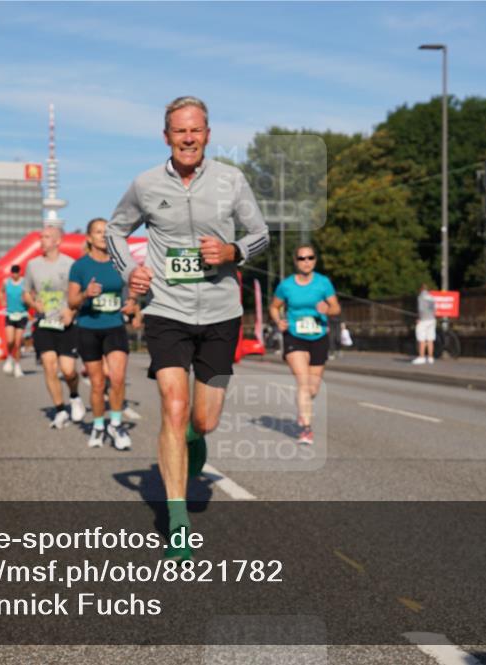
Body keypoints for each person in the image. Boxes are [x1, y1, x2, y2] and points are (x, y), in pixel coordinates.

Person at [106, 96, 269, 560]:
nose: (189, 138)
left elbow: (260, 234)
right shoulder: (145, 184)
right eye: (180, 131)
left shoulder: (231, 180)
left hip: (221, 313)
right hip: (167, 310)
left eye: (196, 130)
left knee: (204, 419)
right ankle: (176, 518)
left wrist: (232, 253)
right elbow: (117, 231)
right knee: (173, 406)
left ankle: (195, 441)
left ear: (208, 134)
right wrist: (129, 272)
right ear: (167, 136)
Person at [68, 218, 133, 450]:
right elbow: (72, 301)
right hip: (88, 328)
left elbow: (133, 287)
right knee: (97, 384)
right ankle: (97, 425)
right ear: (89, 238)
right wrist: (86, 293)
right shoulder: (80, 266)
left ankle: (115, 424)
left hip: (114, 326)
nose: (103, 236)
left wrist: (132, 302)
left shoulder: (120, 263)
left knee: (116, 378)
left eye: (106, 232)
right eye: (98, 232)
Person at [269, 245, 341, 445]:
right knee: (302, 381)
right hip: (294, 336)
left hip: (318, 336)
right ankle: (306, 429)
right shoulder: (286, 285)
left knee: (313, 387)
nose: (306, 261)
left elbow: (336, 308)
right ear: (296, 261)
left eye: (310, 257)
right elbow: (274, 307)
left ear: (315, 260)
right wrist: (278, 321)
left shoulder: (323, 283)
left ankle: (303, 409)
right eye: (302, 258)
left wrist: (327, 308)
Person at [24, 224, 84, 429]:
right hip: (44, 323)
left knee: (68, 371)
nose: (42, 240)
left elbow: (79, 295)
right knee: (49, 366)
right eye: (41, 236)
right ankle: (60, 410)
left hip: (66, 324)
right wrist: (33, 303)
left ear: (58, 241)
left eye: (47, 237)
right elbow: (26, 292)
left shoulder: (70, 265)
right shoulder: (32, 265)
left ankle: (74, 396)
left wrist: (71, 311)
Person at [0, 264, 28, 378]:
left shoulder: (25, 282)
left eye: (16, 272)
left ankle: (17, 366)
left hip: (21, 314)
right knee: (10, 341)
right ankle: (10, 357)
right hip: (10, 314)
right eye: (13, 272)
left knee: (18, 342)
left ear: (19, 272)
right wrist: (2, 301)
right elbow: (0, 292)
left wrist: (27, 301)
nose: (14, 274)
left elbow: (31, 294)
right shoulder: (6, 282)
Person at [414, 283, 436, 365]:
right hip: (432, 319)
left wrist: (419, 318)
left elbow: (421, 309)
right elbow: (434, 309)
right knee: (430, 339)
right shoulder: (431, 297)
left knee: (421, 339)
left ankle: (421, 357)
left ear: (421, 289)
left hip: (424, 320)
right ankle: (430, 358)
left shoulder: (421, 297)